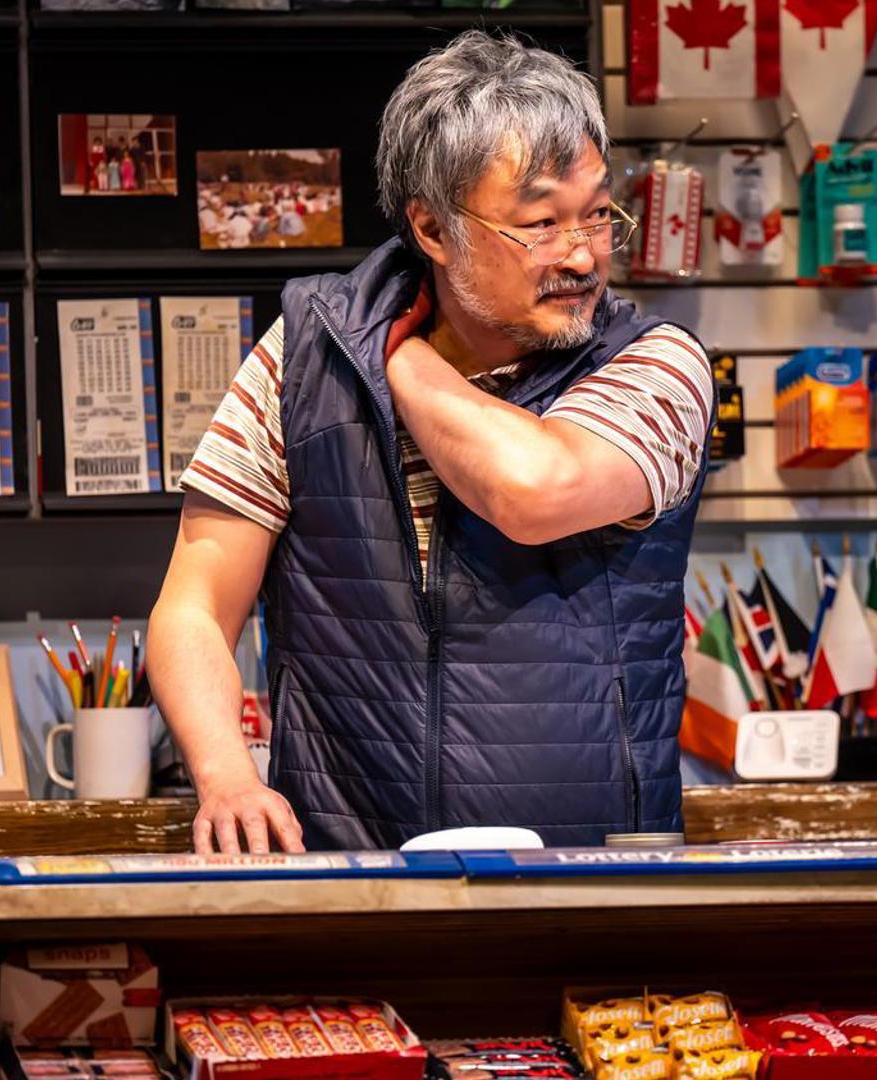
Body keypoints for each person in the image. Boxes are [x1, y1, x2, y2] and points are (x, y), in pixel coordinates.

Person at [149, 32, 712, 854]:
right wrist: (226, 773)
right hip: (347, 872)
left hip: (594, 881)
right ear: (434, 229)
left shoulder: (657, 364)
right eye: (541, 224)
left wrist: (394, 354)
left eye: (597, 213)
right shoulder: (303, 360)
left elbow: (533, 489)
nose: (584, 254)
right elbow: (193, 606)